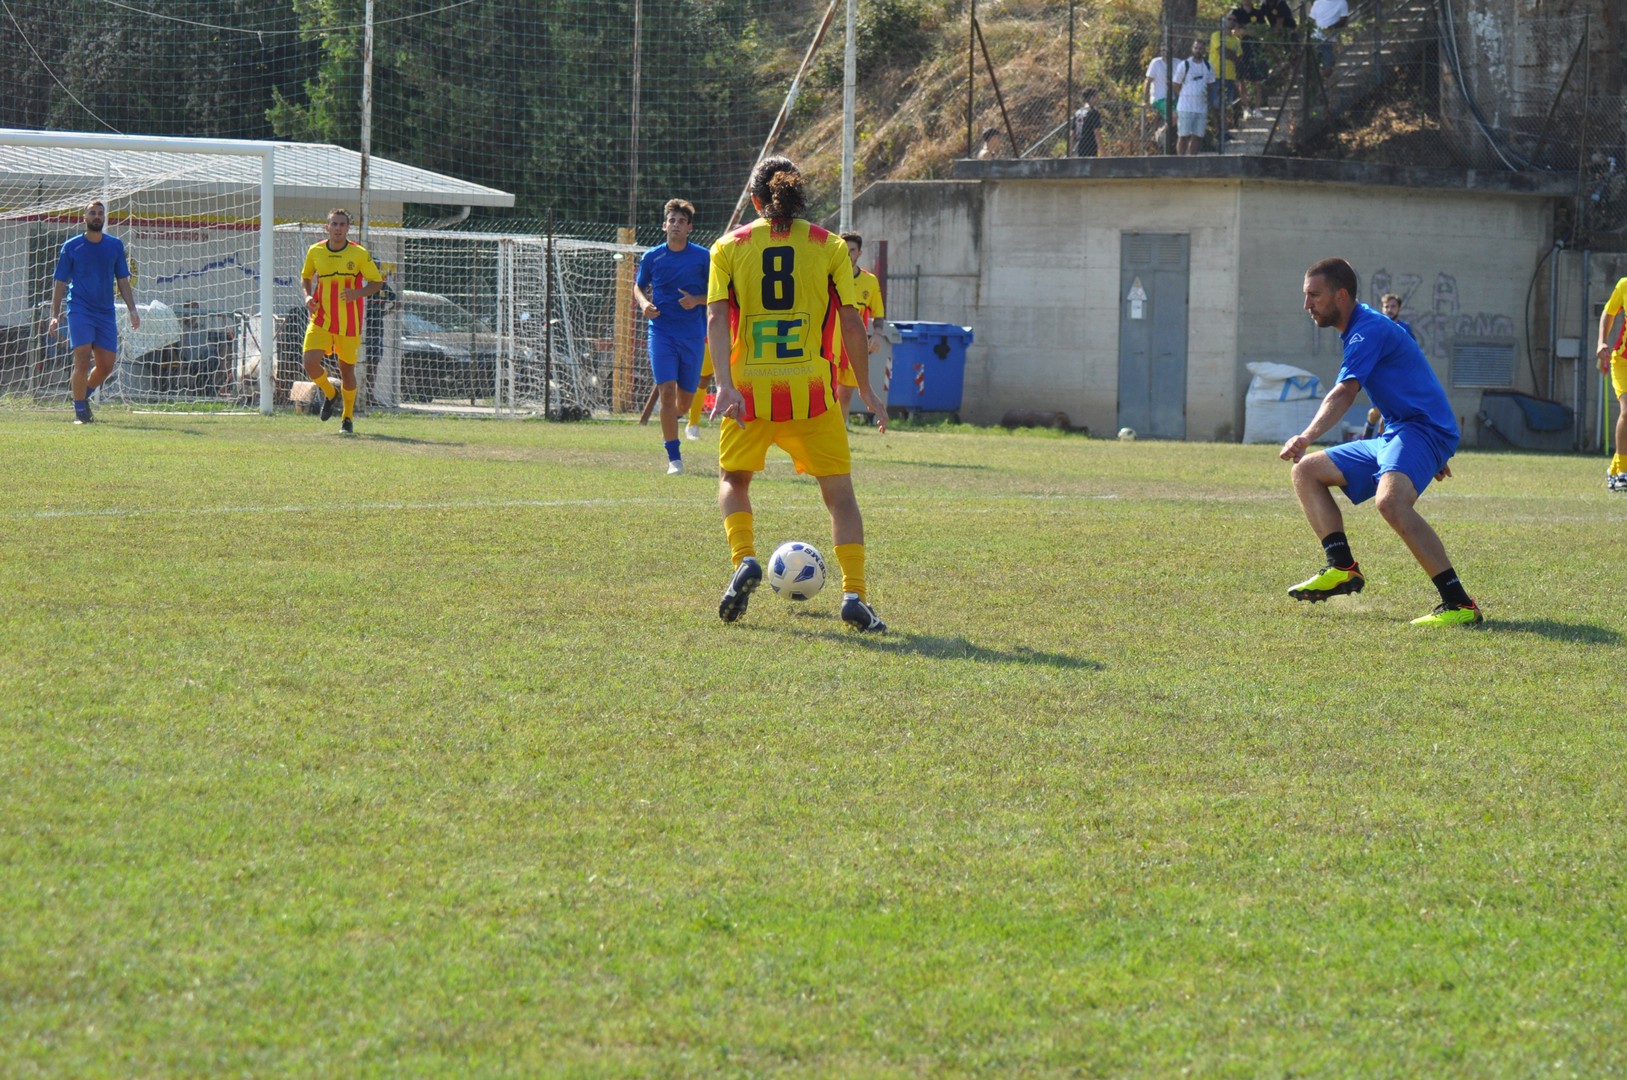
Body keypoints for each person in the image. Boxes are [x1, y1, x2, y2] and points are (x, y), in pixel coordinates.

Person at [706, 155, 889, 632]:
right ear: (799, 195)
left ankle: (745, 559)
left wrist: (724, 385)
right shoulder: (829, 245)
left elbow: (715, 318)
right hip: (813, 394)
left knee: (734, 479)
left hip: (749, 394)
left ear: (755, 200)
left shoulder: (727, 247)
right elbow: (852, 322)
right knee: (840, 497)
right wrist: (866, 388)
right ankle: (854, 595)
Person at [1280, 257, 1481, 626]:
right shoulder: (1362, 327)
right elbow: (1402, 383)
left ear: (1341, 296)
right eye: (1306, 295)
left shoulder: (1366, 330)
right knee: (1306, 472)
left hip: (1422, 429)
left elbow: (1345, 392)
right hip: (1402, 432)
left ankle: (1459, 604)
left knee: (1391, 502)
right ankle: (1341, 567)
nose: (1307, 304)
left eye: (1314, 295)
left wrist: (1306, 436)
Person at [633, 198, 711, 474]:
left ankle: (676, 418)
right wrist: (644, 303)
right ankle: (674, 459)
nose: (676, 225)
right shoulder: (652, 257)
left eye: (681, 221)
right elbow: (638, 287)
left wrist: (697, 299)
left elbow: (719, 293)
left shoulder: (703, 257)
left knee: (684, 402)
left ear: (690, 228)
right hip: (661, 332)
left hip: (692, 336)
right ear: (664, 225)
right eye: (672, 220)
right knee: (666, 391)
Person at [48, 199, 141, 425]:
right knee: (82, 358)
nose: (97, 216)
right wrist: (54, 314)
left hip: (105, 312)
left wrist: (132, 309)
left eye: (100, 213)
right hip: (79, 309)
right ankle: (80, 412)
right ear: (85, 218)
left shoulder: (115, 246)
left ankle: (81, 396)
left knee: (106, 364)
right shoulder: (71, 246)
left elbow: (123, 280)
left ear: (104, 217)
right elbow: (60, 282)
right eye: (92, 213)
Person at [300, 208, 385, 434]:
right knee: (309, 362)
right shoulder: (315, 251)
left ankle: (347, 418)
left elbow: (376, 282)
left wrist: (356, 293)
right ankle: (330, 393)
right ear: (327, 227)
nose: (338, 228)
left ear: (348, 228)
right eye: (334, 224)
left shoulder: (359, 253)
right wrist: (307, 296)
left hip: (349, 323)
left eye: (342, 224)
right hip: (321, 319)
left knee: (347, 371)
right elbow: (306, 277)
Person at [835, 231, 886, 414]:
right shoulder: (829, 277)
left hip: (852, 344)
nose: (848, 255)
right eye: (844, 250)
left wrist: (877, 335)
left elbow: (878, 313)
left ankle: (843, 428)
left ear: (859, 253)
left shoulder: (869, 281)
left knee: (845, 394)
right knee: (828, 393)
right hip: (829, 344)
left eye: (852, 250)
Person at [1595, 274, 1627, 491]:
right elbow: (1608, 312)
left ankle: (1614, 470)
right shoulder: (1625, 285)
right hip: (1623, 362)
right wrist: (1601, 342)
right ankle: (1623, 472)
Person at [1171, 39, 1215, 156]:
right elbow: (1175, 84)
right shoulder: (1184, 65)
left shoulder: (1208, 66)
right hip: (1185, 107)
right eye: (1196, 48)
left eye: (1200, 48)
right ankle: (1181, 160)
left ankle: (1192, 160)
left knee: (1197, 136)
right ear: (1192, 49)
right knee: (1183, 136)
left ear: (1204, 50)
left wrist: (1202, 94)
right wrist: (1185, 95)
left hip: (1201, 108)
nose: (1198, 50)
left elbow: (1211, 84)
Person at [1309, 0, 1350, 71]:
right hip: (1315, 38)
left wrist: (1331, 27)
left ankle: (1322, 75)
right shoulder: (1318, 2)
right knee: (1313, 65)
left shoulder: (1341, 2)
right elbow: (1311, 19)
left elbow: (1343, 20)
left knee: (1328, 66)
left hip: (1330, 40)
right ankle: (1318, 76)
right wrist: (1306, 30)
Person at [1144, 53, 1171, 146]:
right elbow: (1147, 81)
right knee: (1173, 114)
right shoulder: (1156, 62)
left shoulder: (1177, 62)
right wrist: (1146, 100)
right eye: (1162, 49)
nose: (1164, 51)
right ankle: (1160, 132)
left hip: (1173, 98)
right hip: (1159, 98)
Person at [1072, 87, 1103, 157]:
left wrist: (1070, 150)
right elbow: (1097, 133)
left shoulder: (1078, 112)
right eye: (1096, 97)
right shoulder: (1093, 112)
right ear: (1091, 98)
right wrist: (1103, 152)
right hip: (1090, 149)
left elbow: (1072, 134)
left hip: (1079, 148)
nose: (1097, 99)